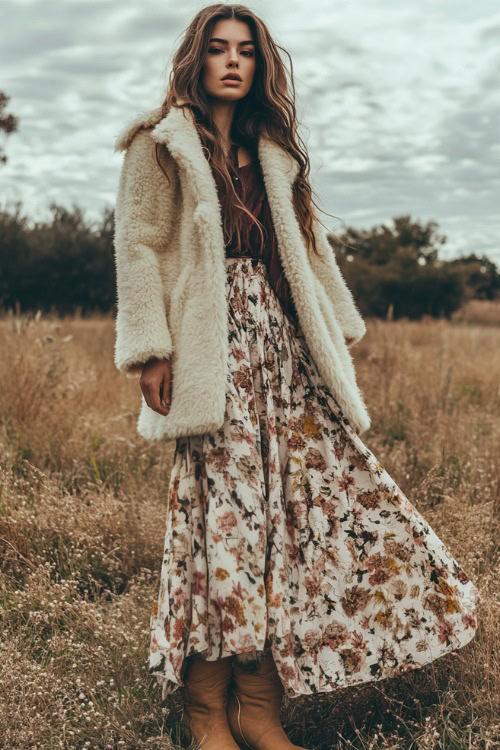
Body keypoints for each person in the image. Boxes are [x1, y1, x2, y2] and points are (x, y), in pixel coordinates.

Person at [112, 5, 480, 749]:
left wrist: (338, 337)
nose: (232, 62)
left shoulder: (274, 151)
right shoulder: (160, 148)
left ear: (260, 66)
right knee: (227, 529)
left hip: (287, 361)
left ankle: (260, 707)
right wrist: (151, 348)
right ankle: (209, 710)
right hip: (214, 362)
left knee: (299, 523)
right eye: (218, 49)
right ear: (195, 59)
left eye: (246, 51)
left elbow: (311, 253)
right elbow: (140, 246)